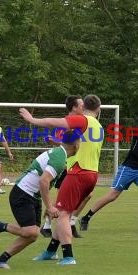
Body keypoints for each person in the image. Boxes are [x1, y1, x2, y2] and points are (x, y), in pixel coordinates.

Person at [19, 94, 104, 265]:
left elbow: (56, 122)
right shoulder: (98, 125)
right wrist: (59, 143)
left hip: (78, 173)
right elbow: (77, 146)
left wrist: (33, 119)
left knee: (62, 214)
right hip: (91, 174)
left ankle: (68, 257)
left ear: (84, 107)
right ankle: (50, 252)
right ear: (99, 109)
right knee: (66, 213)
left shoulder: (83, 120)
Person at [0, 130, 80, 269]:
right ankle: (0, 226)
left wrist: (49, 205)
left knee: (32, 236)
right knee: (32, 232)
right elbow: (43, 182)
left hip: (33, 195)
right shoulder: (59, 158)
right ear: (76, 144)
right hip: (22, 193)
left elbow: (46, 183)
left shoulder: (60, 154)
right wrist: (50, 206)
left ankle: (0, 260)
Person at [40, 95, 89, 239]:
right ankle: (50, 225)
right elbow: (62, 146)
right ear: (74, 107)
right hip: (66, 166)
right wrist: (55, 141)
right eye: (81, 105)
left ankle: (69, 222)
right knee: (63, 198)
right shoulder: (63, 125)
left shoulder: (82, 123)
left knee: (85, 195)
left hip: (78, 165)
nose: (84, 107)